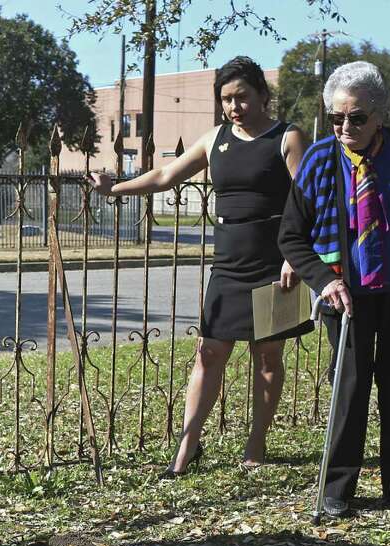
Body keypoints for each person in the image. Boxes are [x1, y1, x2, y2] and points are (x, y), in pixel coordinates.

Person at [88, 56, 310, 476]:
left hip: (275, 261)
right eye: (226, 99)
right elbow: (166, 176)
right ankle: (187, 447)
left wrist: (293, 257)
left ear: (263, 96)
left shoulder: (288, 137)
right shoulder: (215, 139)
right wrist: (114, 188)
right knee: (209, 352)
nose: (234, 107)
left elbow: (306, 201)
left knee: (268, 357)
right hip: (229, 262)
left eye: (241, 97)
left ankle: (257, 443)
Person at [279, 61, 390, 518]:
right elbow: (291, 237)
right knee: (351, 389)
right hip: (347, 296)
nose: (344, 127)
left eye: (356, 118)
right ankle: (338, 488)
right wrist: (326, 279)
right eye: (336, 118)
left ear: (381, 114)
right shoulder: (320, 159)